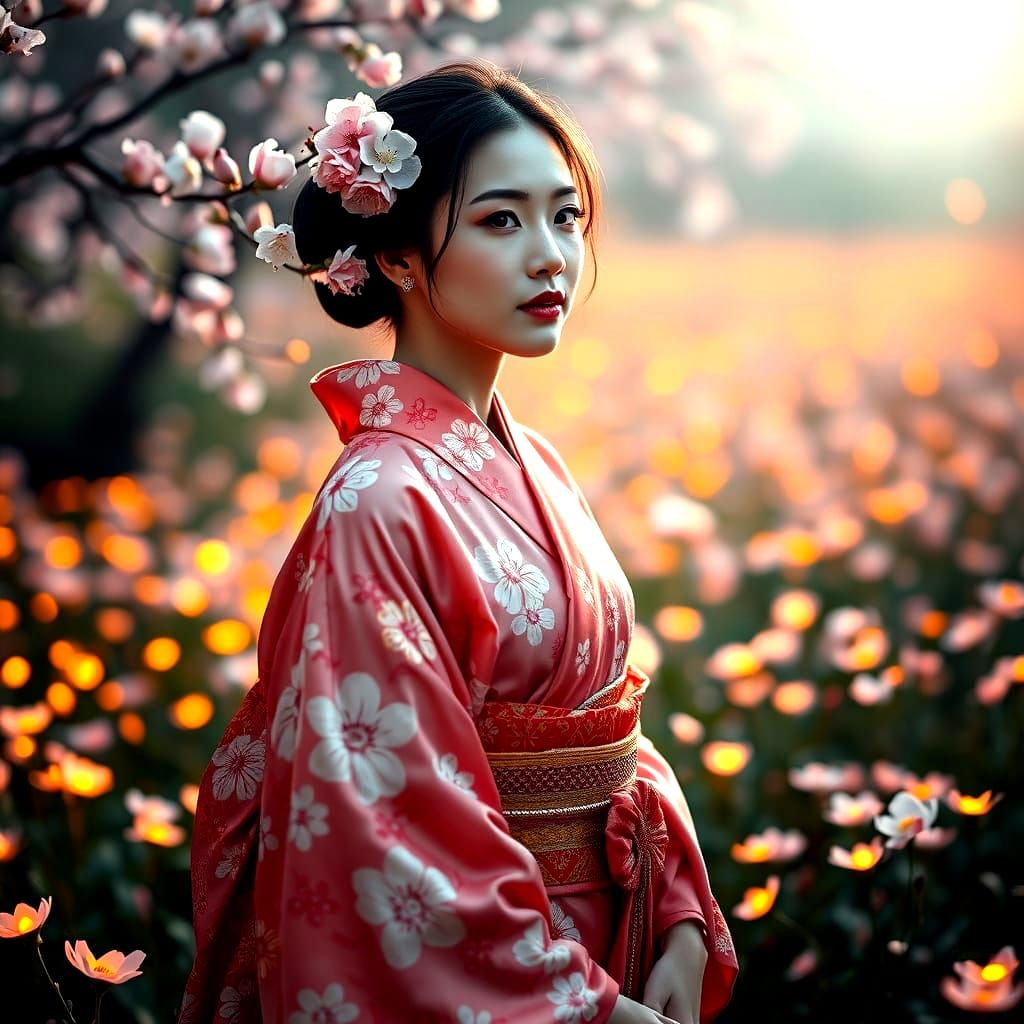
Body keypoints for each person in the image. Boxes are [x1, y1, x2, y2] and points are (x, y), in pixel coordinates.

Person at [178, 58, 738, 1024]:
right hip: (516, 972)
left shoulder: (542, 466)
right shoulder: (379, 500)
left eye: (565, 217)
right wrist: (589, 1009)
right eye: (500, 219)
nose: (551, 255)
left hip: (625, 937)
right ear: (395, 257)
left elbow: (612, 733)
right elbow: (388, 820)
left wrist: (681, 918)